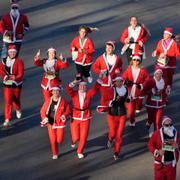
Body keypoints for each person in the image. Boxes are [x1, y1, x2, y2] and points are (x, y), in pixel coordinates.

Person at [66, 78, 100, 159]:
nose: (82, 87)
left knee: (84, 136)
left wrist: (101, 78)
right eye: (81, 86)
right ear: (78, 87)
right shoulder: (74, 94)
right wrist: (74, 82)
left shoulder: (89, 93)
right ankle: (73, 141)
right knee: (76, 137)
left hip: (86, 116)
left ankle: (80, 151)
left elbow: (95, 88)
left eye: (84, 86)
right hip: (75, 116)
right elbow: (68, 88)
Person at [40, 84, 71, 160]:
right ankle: (55, 153)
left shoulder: (63, 101)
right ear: (51, 92)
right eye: (54, 91)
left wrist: (64, 115)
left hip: (60, 123)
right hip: (50, 122)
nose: (55, 92)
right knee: (53, 140)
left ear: (59, 91)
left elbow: (68, 109)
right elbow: (42, 111)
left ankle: (58, 143)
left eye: (57, 90)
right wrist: (44, 118)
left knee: (59, 140)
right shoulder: (48, 100)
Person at [102, 74, 128, 160]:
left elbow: (129, 98)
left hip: (122, 115)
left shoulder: (126, 89)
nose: (119, 83)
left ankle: (116, 152)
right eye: (117, 81)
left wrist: (128, 99)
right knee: (113, 133)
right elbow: (103, 101)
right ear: (114, 82)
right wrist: (112, 101)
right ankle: (110, 139)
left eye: (121, 81)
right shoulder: (110, 91)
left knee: (119, 135)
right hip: (112, 114)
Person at [92, 41, 123, 112]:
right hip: (104, 82)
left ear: (113, 49)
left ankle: (112, 107)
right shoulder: (101, 58)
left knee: (113, 95)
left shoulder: (117, 58)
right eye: (107, 48)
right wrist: (100, 71)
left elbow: (120, 66)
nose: (108, 49)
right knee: (103, 97)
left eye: (110, 48)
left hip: (113, 81)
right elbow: (95, 67)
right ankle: (104, 108)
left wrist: (118, 69)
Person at [148, 116, 180, 180]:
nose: (169, 126)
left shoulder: (177, 134)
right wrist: (157, 151)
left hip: (171, 166)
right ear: (163, 125)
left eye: (171, 124)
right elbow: (150, 144)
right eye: (167, 125)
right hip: (160, 166)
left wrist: (178, 146)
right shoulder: (156, 134)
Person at [0, 45, 24, 127]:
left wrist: (15, 77)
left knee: (16, 100)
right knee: (8, 101)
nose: (12, 53)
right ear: (8, 52)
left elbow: (21, 74)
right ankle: (7, 119)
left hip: (17, 84)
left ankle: (18, 109)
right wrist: (5, 77)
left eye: (14, 52)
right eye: (11, 52)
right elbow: (2, 70)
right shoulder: (3, 60)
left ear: (16, 53)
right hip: (7, 84)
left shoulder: (19, 61)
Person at [123, 53, 149, 126]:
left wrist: (142, 85)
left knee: (138, 105)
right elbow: (123, 78)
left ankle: (138, 107)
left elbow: (147, 80)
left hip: (139, 91)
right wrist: (125, 81)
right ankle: (132, 121)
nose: (136, 61)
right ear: (132, 60)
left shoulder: (143, 70)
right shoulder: (128, 69)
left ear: (139, 61)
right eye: (134, 60)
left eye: (137, 60)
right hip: (129, 91)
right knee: (131, 109)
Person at [142, 69, 168, 135]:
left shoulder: (164, 81)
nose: (158, 75)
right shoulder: (150, 81)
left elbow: (165, 91)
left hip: (160, 105)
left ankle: (157, 135)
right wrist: (150, 92)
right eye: (157, 74)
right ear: (154, 74)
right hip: (150, 104)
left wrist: (164, 93)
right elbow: (143, 91)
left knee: (157, 122)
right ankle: (149, 123)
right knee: (151, 118)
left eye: (160, 74)